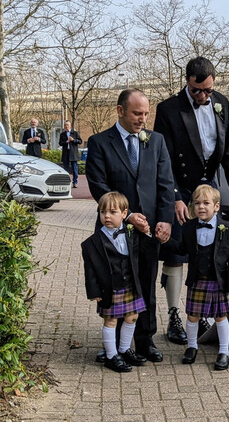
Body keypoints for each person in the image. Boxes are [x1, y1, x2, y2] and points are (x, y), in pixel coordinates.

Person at [154, 56, 229, 345]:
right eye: (197, 91)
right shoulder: (168, 109)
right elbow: (163, 157)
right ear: (187, 81)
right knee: (177, 255)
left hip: (208, 191)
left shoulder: (221, 103)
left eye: (208, 90)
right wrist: (176, 198)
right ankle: (174, 315)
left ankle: (202, 312)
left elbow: (228, 148)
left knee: (206, 252)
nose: (204, 96)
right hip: (179, 189)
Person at [86, 88, 174, 362]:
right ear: (120, 110)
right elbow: (98, 186)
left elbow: (165, 184)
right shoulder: (100, 142)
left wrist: (165, 220)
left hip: (147, 229)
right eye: (137, 113)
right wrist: (127, 216)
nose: (142, 119)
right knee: (116, 285)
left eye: (146, 113)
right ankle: (114, 346)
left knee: (145, 283)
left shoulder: (156, 141)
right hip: (114, 230)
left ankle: (145, 341)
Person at [167, 185, 229, 370]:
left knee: (221, 317)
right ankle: (192, 347)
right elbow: (182, 249)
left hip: (218, 281)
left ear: (216, 206)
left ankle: (224, 351)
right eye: (197, 203)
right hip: (197, 280)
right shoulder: (189, 227)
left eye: (206, 203)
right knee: (192, 316)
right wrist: (165, 240)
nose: (201, 207)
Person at [82, 192, 148, 373]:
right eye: (103, 212)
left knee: (132, 317)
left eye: (112, 212)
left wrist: (148, 231)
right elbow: (90, 270)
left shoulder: (131, 233)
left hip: (130, 285)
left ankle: (124, 349)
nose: (107, 216)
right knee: (110, 320)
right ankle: (111, 356)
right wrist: (94, 291)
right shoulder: (92, 243)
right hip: (110, 288)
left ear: (124, 213)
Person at [59, 121, 83, 188]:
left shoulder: (75, 133)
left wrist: (73, 140)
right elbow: (60, 143)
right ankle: (67, 182)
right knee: (66, 168)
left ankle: (75, 182)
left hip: (73, 153)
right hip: (66, 153)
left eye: (67, 125)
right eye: (65, 125)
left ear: (70, 126)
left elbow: (80, 141)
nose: (66, 126)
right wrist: (66, 142)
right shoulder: (62, 134)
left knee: (74, 168)